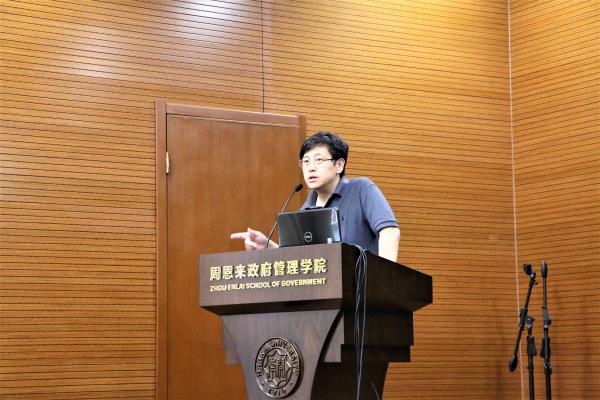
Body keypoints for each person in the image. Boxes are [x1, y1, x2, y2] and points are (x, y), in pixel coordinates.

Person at [230, 131, 401, 262]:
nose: (311, 167)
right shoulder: (306, 208)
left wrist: (384, 277)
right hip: (326, 292)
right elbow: (300, 258)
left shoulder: (361, 189)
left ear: (339, 165)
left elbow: (390, 232)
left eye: (318, 160)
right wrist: (267, 247)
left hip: (363, 291)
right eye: (306, 161)